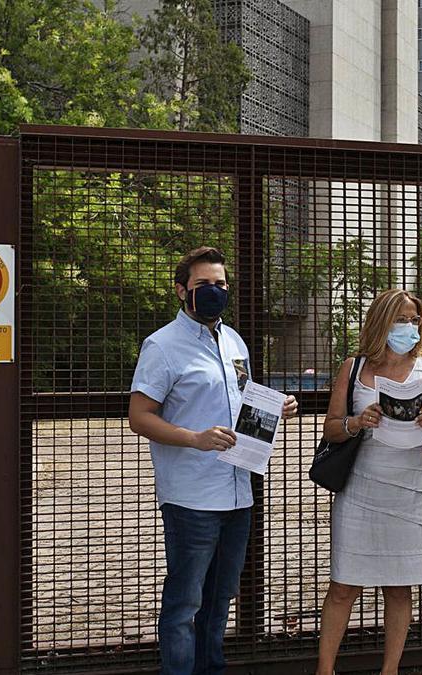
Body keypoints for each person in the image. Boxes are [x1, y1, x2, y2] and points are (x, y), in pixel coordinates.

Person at [128, 246, 298, 675]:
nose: (215, 291)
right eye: (205, 285)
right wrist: (194, 438)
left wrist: (275, 408)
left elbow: (242, 404)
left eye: (221, 284)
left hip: (238, 493)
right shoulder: (162, 346)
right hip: (192, 498)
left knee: (220, 598)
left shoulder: (234, 341)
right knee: (185, 602)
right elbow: (139, 417)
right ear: (182, 290)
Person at [315, 289, 422, 675]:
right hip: (361, 489)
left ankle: (390, 670)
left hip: (409, 491)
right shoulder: (354, 367)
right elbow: (330, 429)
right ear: (381, 322)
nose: (410, 327)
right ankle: (324, 670)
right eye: (402, 319)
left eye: (415, 320)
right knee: (344, 585)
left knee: (399, 587)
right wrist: (356, 422)